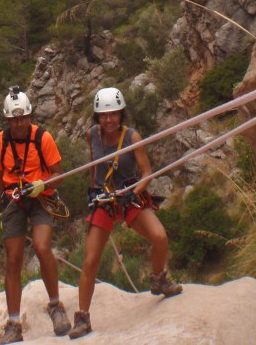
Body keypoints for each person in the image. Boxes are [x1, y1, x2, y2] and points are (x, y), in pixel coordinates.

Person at [68, 86, 182, 339]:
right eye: (104, 115)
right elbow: (94, 165)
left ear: (121, 114)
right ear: (97, 117)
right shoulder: (92, 136)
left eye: (114, 115)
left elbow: (146, 172)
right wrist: (92, 190)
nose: (109, 120)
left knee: (160, 238)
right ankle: (82, 317)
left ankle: (158, 279)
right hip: (104, 199)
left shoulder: (132, 138)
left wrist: (134, 191)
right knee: (90, 260)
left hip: (129, 197)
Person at [0, 86, 71, 344]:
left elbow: (59, 175)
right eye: (14, 119)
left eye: (22, 117)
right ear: (7, 120)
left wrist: (42, 185)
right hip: (14, 198)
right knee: (13, 258)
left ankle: (55, 305)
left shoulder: (42, 138)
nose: (19, 123)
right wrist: (3, 204)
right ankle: (13, 323)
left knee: (42, 246)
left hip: (40, 196)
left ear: (30, 116)